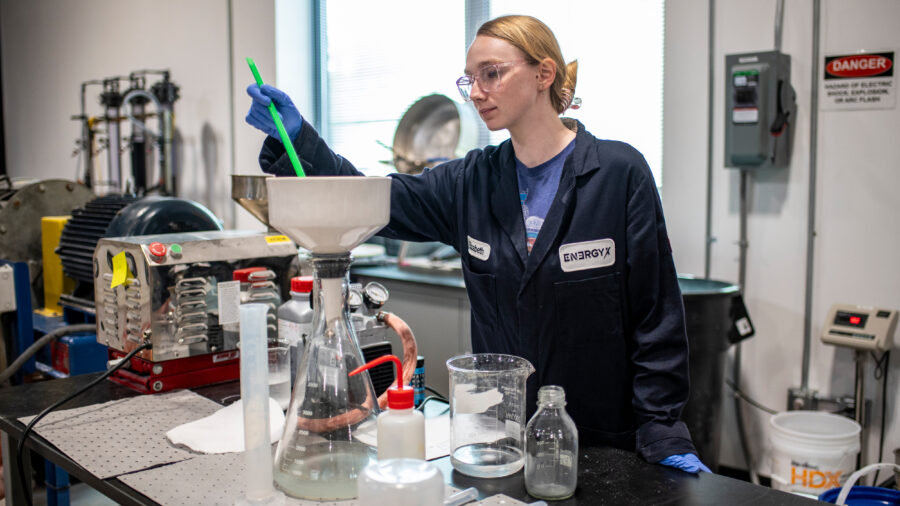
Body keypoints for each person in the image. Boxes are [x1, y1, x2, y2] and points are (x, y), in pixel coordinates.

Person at [247, 15, 710, 474]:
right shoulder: (470, 181)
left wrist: (663, 429)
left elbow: (657, 315)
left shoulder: (618, 174)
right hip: (499, 440)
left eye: (492, 73)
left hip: (602, 441)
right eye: (470, 79)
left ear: (543, 74)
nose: (475, 92)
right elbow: (368, 198)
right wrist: (296, 140)